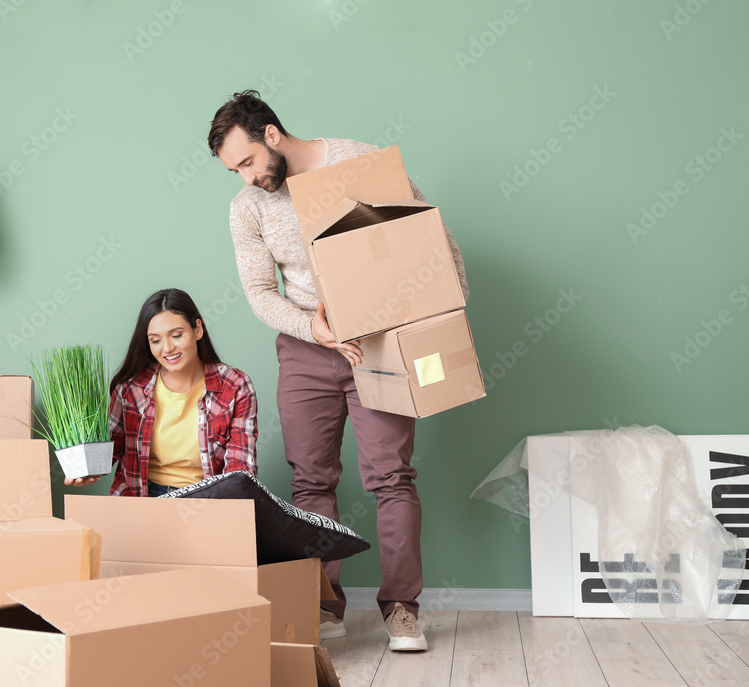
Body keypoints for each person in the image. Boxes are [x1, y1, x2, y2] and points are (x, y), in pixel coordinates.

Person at [207, 91, 469, 651]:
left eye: (248, 162)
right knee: (311, 480)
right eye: (235, 171)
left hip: (379, 344)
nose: (247, 178)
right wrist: (313, 328)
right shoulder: (247, 207)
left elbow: (432, 243)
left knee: (390, 475)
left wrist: (437, 324)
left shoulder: (359, 162)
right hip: (307, 347)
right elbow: (258, 291)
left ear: (271, 135)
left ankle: (401, 608)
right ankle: (324, 607)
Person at [64, 288, 258, 497]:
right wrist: (84, 469)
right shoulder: (130, 390)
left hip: (205, 498)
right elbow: (108, 450)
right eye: (155, 340)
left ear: (198, 330)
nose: (166, 348)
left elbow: (240, 471)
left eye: (176, 335)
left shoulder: (236, 386)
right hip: (141, 498)